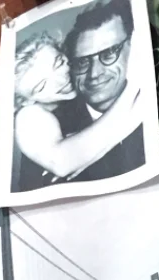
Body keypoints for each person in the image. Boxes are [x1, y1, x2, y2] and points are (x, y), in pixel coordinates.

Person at [12, 24, 141, 191]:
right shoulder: (27, 115)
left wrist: (95, 154)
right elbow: (62, 163)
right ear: (25, 100)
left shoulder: (80, 89)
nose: (61, 80)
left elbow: (138, 109)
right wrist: (135, 84)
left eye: (59, 63)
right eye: (42, 86)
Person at [64, 0, 146, 181]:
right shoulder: (53, 128)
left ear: (134, 48)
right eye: (82, 62)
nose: (94, 74)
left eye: (109, 54)